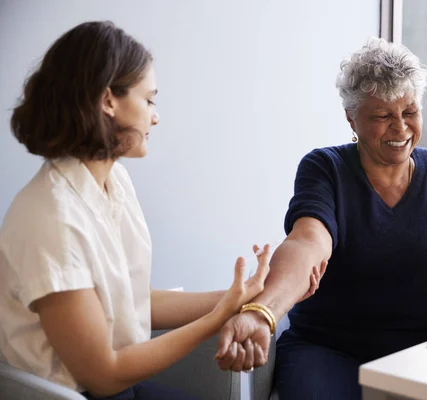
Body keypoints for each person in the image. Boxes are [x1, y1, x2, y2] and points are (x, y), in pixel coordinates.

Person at [0, 21, 323, 400]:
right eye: (149, 100)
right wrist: (216, 319)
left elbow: (136, 302)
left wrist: (244, 296)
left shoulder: (113, 182)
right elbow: (105, 374)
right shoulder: (50, 219)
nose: (156, 116)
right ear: (108, 101)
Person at [214, 37, 427, 399]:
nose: (400, 128)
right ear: (351, 118)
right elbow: (308, 242)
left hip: (425, 350)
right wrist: (263, 312)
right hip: (328, 351)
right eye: (382, 116)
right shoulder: (325, 168)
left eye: (409, 112)